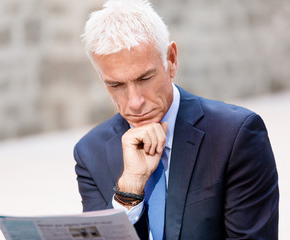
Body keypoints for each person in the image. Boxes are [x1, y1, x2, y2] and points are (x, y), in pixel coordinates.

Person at [74, 0, 279, 239]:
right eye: (116, 85)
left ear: (171, 60)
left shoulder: (235, 135)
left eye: (145, 78)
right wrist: (129, 190)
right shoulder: (90, 153)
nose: (135, 102)